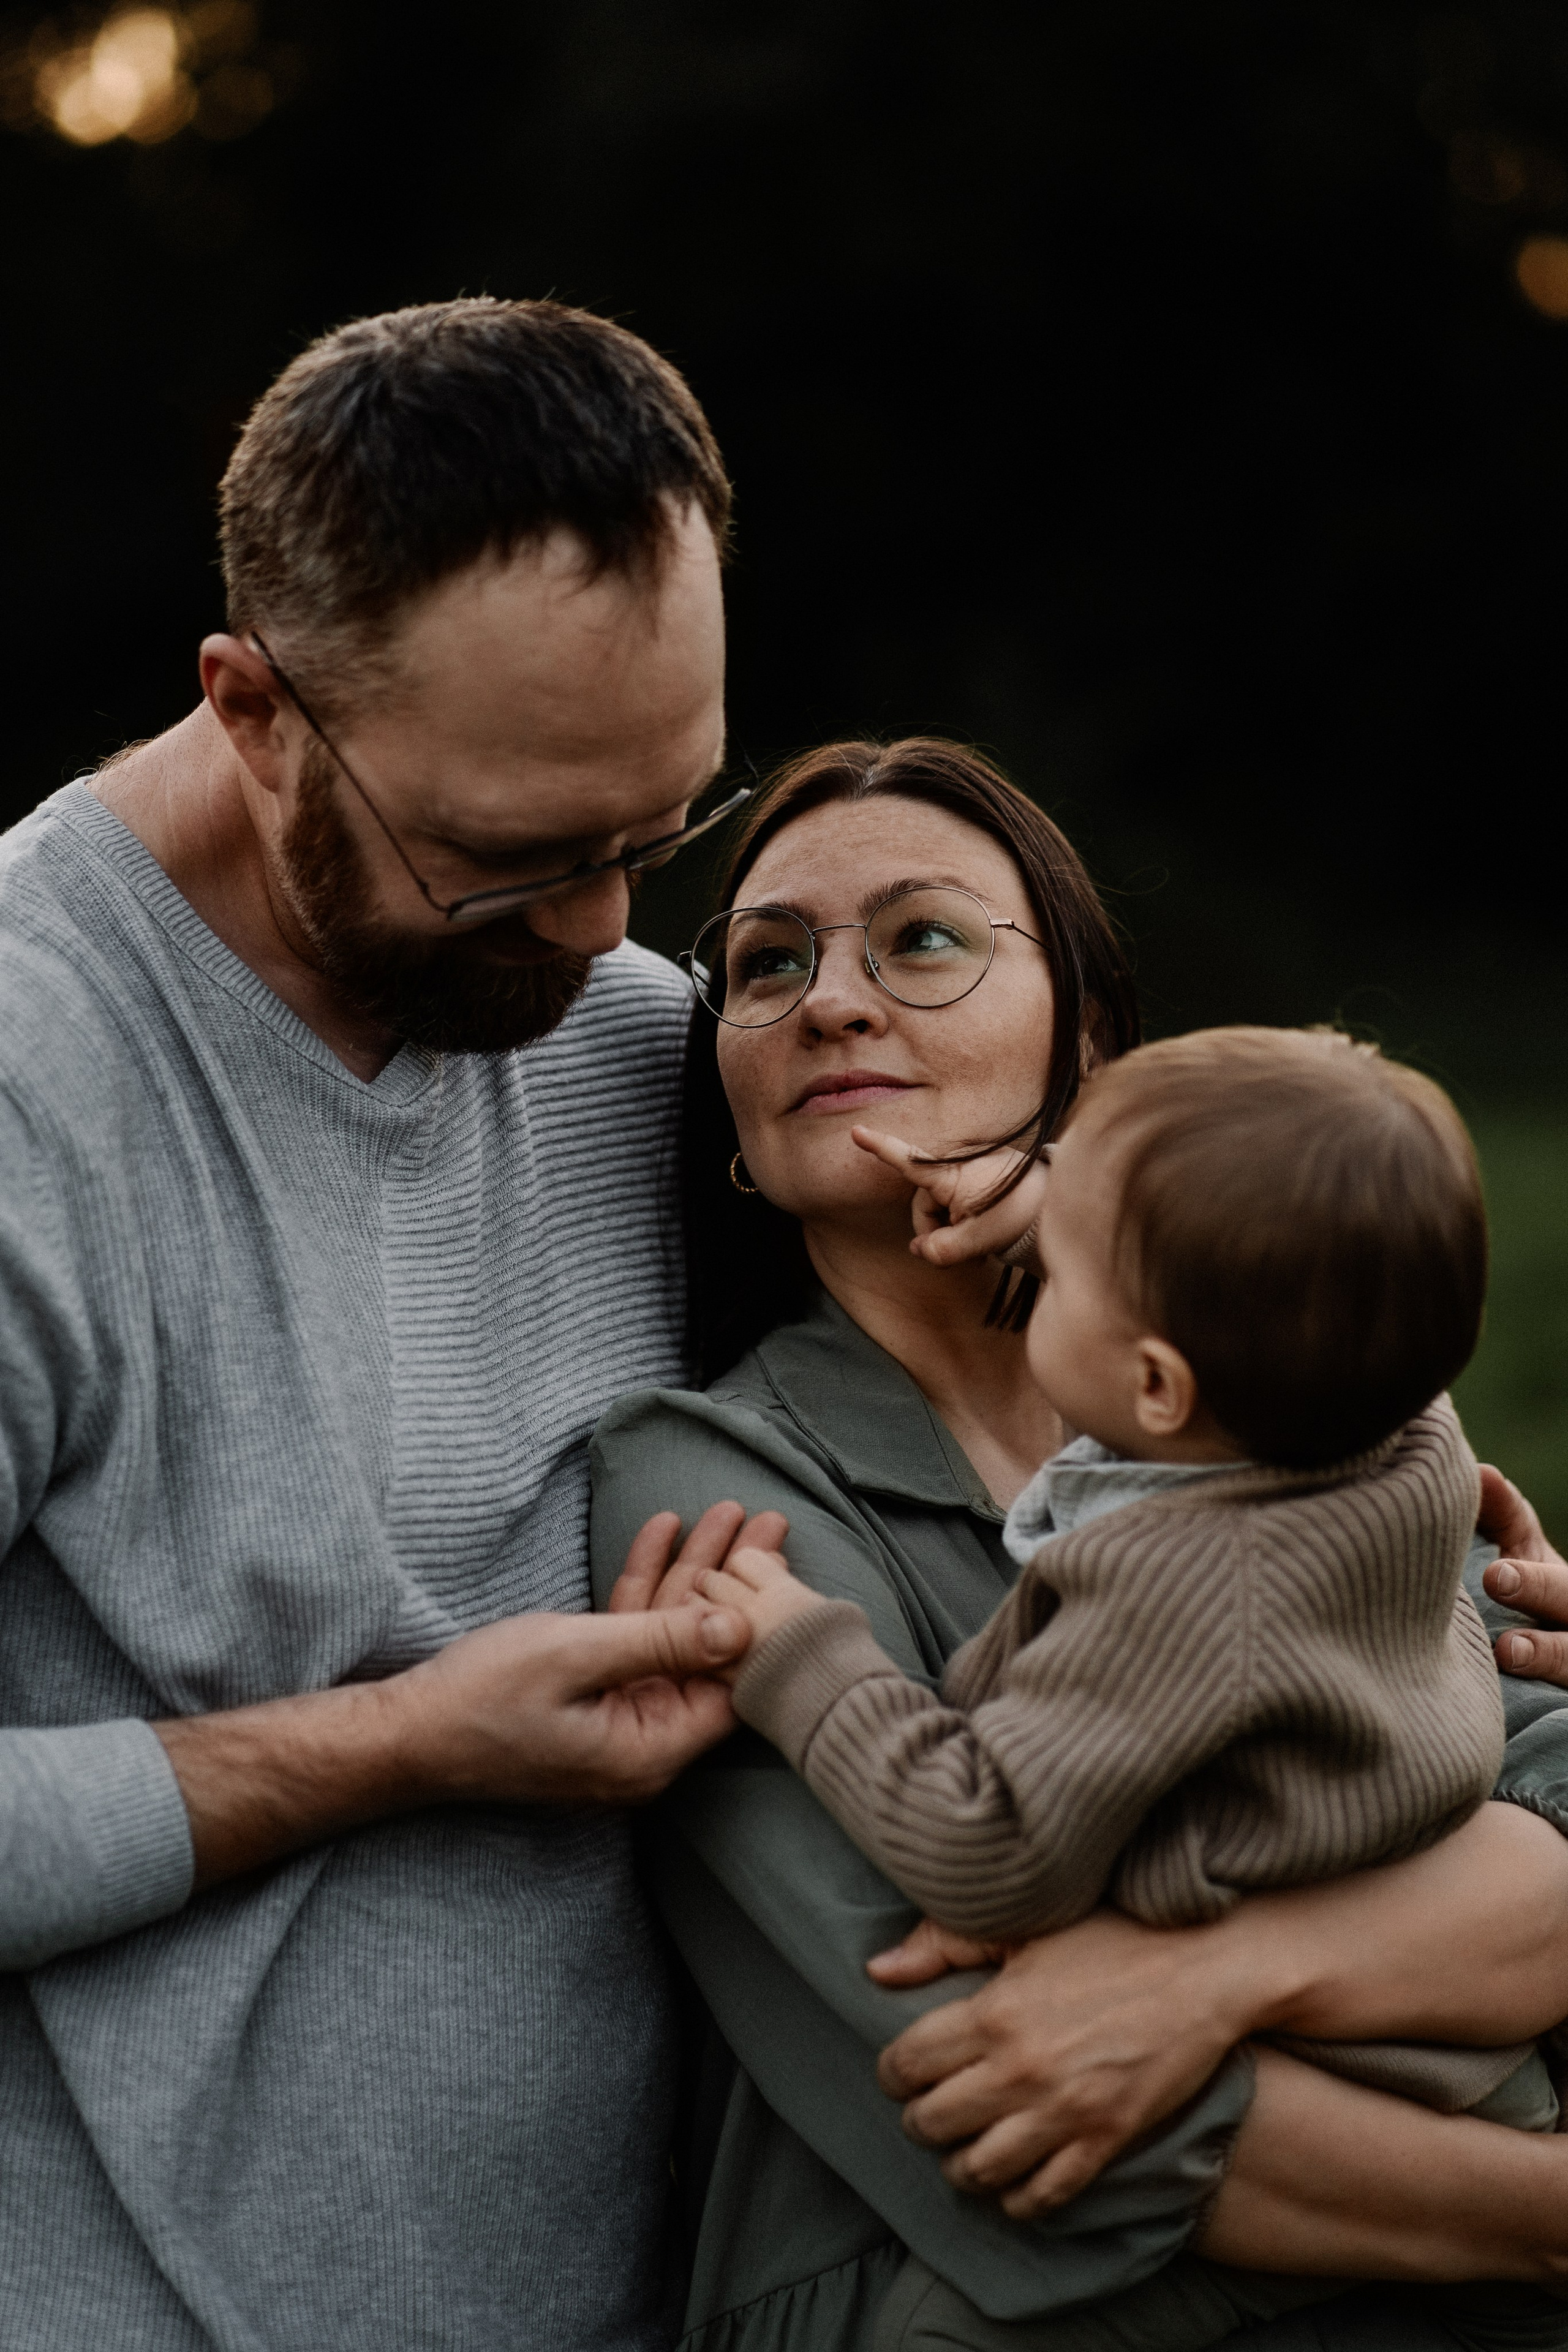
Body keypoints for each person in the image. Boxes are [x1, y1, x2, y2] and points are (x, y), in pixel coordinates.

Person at [589, 736, 1568, 2352]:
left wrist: (1215, 1980)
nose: (831, 1000)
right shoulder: (709, 1486)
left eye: (922, 938)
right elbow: (987, 2086)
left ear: (1088, 1041)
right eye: (768, 965)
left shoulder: (1295, 1381)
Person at [0, 296, 760, 2350]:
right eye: (508, 854)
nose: (611, 933)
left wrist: (1403, 1566)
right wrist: (397, 1750)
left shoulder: (646, 1043)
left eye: (661, 829)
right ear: (252, 710)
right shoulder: (28, 1072)